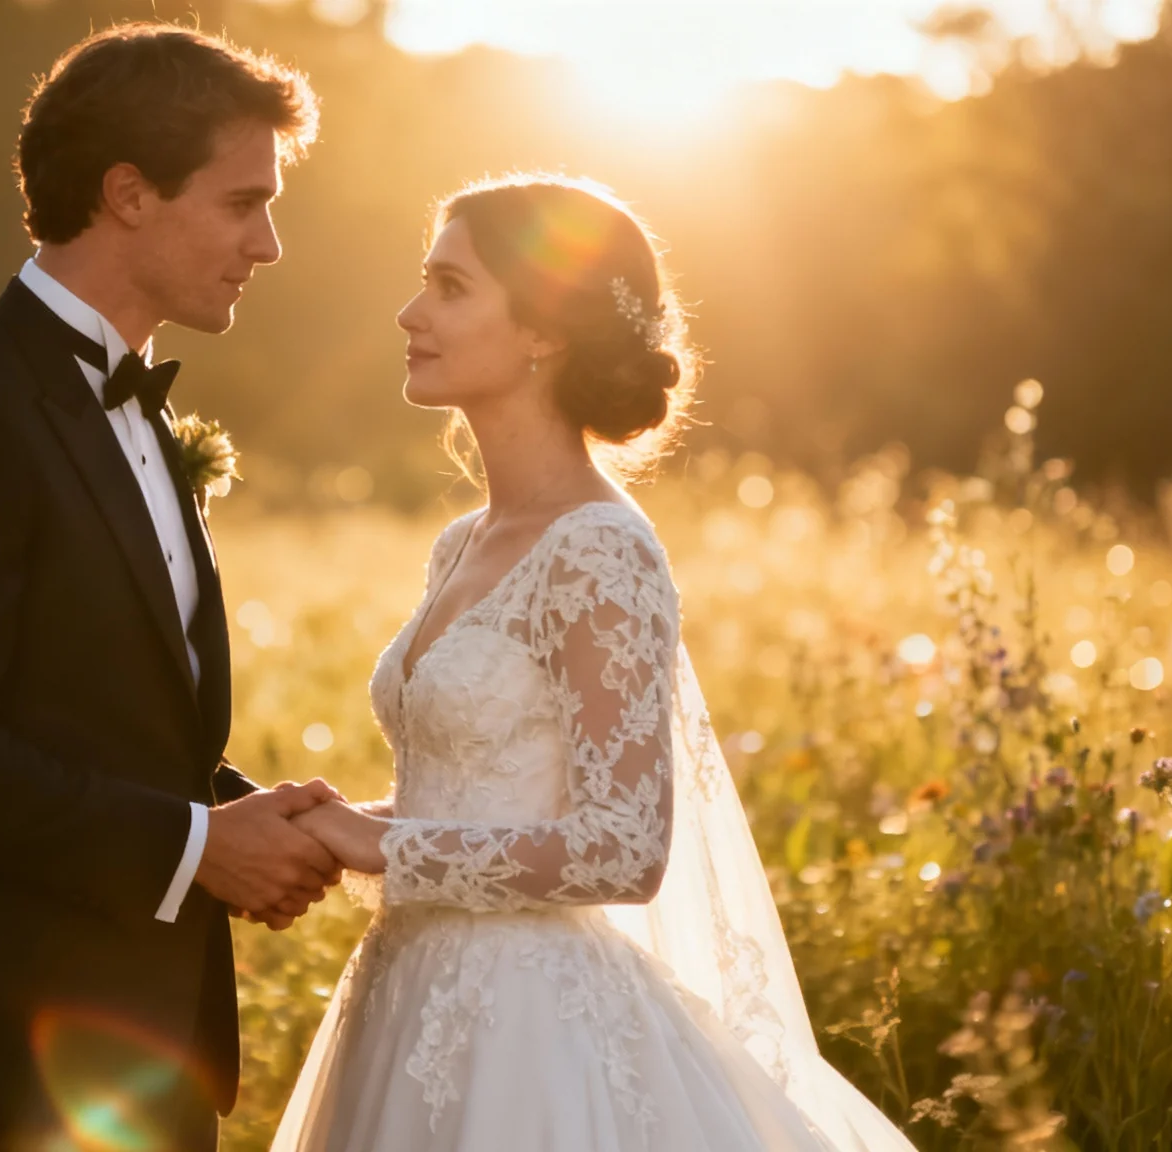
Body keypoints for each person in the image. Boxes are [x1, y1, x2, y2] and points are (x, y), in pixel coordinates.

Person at [269, 175, 921, 1151]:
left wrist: (387, 848)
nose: (409, 313)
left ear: (541, 331)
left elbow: (622, 846)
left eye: (448, 288)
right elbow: (497, 795)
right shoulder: (461, 542)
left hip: (529, 1030)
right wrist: (345, 823)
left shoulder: (599, 551)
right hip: (404, 995)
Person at [0, 24, 339, 1152]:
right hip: (6, 1063)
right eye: (241, 202)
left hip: (154, 1050)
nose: (267, 244)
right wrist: (195, 848)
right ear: (126, 193)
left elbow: (100, 712)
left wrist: (254, 817)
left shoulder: (139, 407)